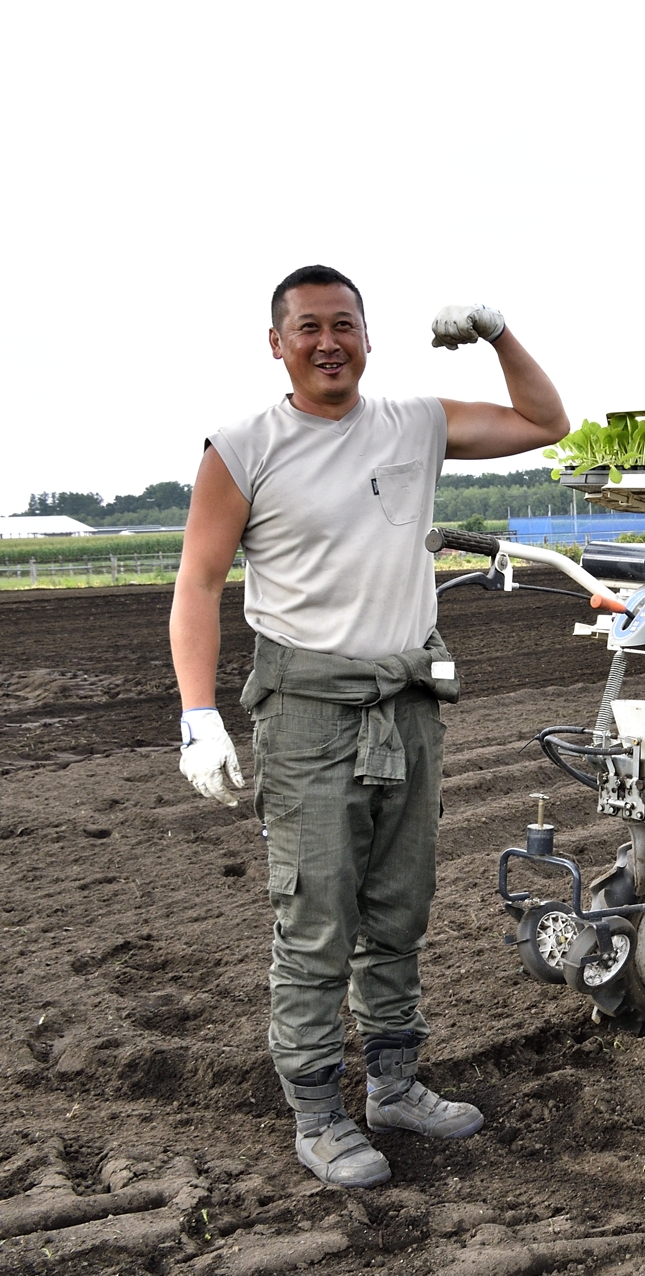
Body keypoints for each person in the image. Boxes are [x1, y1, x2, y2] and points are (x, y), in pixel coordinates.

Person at [169, 265, 570, 1188]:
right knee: (316, 915)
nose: (327, 341)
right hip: (308, 711)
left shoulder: (414, 424)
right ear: (277, 342)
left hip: (410, 701)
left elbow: (546, 423)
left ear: (366, 335)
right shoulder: (242, 447)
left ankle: (393, 1083)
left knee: (398, 907)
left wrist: (501, 333)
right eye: (306, 326)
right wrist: (198, 714)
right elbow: (196, 585)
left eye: (343, 324)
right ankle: (319, 1113)